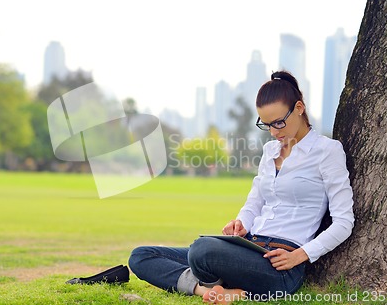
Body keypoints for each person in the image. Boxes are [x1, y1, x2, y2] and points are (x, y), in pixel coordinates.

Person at [128, 70, 354, 304]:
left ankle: (216, 283)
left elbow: (344, 222)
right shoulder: (270, 152)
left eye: (279, 122)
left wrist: (300, 255)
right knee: (142, 255)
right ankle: (210, 292)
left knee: (201, 250)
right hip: (247, 248)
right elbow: (255, 201)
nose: (274, 132)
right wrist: (241, 222)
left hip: (280, 265)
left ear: (299, 108)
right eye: (267, 125)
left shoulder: (327, 151)